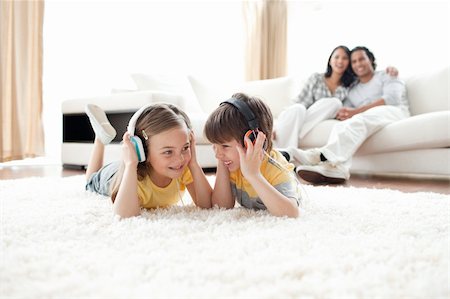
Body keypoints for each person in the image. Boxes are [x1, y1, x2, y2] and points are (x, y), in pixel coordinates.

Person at [287, 46, 410, 184]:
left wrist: (356, 111)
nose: (358, 64)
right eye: (354, 61)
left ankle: (319, 156)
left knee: (361, 119)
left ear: (370, 60)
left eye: (362, 59)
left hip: (394, 112)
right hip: (370, 117)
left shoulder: (387, 75)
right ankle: (337, 170)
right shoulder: (352, 89)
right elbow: (345, 113)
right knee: (341, 126)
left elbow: (392, 99)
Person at [84, 103, 212, 218]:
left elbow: (207, 204)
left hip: (133, 165)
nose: (180, 159)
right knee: (90, 181)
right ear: (142, 151)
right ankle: (100, 139)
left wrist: (194, 163)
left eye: (185, 147)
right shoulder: (137, 181)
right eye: (168, 152)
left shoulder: (182, 167)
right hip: (114, 174)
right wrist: (130, 165)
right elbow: (124, 215)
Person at [273, 45, 399, 150]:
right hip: (302, 116)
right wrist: (274, 124)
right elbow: (298, 102)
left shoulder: (350, 86)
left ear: (348, 64)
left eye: (344, 58)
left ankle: (286, 150)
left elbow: (368, 80)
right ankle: (282, 154)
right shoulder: (316, 79)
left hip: (320, 120)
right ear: (330, 60)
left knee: (334, 103)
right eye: (336, 57)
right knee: (298, 108)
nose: (340, 61)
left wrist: (390, 69)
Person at [204, 93, 300, 218]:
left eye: (225, 146)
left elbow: (291, 213)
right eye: (214, 146)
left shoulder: (275, 169)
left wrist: (253, 175)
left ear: (252, 140)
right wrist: (222, 161)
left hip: (277, 160)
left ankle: (300, 155)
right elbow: (221, 206)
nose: (217, 154)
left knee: (289, 155)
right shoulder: (233, 164)